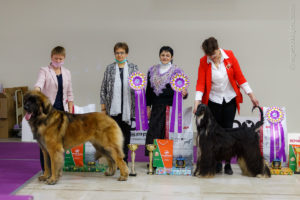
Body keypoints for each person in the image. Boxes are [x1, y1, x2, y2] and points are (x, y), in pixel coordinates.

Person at [193, 37, 259, 175]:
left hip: (229, 99)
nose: (213, 57)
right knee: (215, 134)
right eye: (209, 55)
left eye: (214, 54)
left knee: (228, 131)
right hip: (213, 100)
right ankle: (216, 163)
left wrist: (251, 95)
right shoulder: (204, 62)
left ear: (218, 49)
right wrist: (197, 102)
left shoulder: (230, 56)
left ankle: (228, 164)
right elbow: (200, 83)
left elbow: (240, 77)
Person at [34, 46, 74, 171]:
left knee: (60, 141)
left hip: (62, 112)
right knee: (46, 141)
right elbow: (39, 84)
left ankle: (57, 168)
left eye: (60, 59)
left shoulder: (67, 72)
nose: (58, 60)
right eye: (56, 58)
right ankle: (46, 169)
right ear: (51, 57)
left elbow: (69, 92)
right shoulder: (44, 70)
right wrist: (36, 93)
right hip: (47, 112)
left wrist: (71, 109)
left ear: (64, 58)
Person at [145, 46, 188, 156]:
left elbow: (182, 91)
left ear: (171, 57)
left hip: (170, 108)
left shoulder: (177, 71)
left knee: (167, 132)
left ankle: (165, 158)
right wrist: (147, 107)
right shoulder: (152, 70)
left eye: (167, 55)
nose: (165, 57)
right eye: (163, 55)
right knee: (153, 132)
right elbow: (148, 91)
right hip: (156, 107)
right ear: (159, 56)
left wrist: (185, 93)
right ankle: (153, 159)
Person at [100, 42, 138, 164]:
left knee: (126, 136)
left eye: (122, 52)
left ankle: (124, 161)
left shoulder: (133, 68)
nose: (119, 55)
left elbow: (139, 87)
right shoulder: (109, 68)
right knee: (114, 136)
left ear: (126, 53)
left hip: (128, 109)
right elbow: (103, 89)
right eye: (117, 53)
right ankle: (114, 160)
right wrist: (103, 108)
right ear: (114, 54)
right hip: (113, 109)